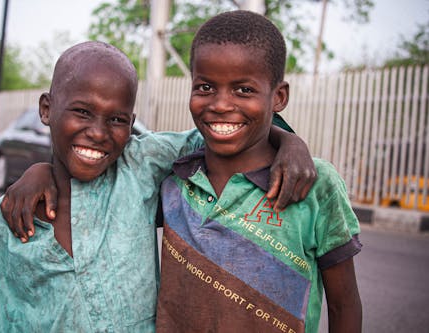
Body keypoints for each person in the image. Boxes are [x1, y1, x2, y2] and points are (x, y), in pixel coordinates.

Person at [0, 41, 315, 332]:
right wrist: (40, 168)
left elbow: (222, 130)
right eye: (81, 111)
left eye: (116, 119)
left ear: (131, 124)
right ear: (47, 109)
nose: (97, 132)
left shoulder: (140, 166)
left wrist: (288, 141)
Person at [155, 10, 362, 333]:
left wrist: (289, 141)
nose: (221, 104)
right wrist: (45, 171)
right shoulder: (174, 176)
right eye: (205, 87)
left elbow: (343, 303)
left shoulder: (314, 182)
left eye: (243, 90)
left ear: (278, 97)